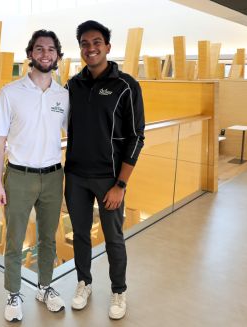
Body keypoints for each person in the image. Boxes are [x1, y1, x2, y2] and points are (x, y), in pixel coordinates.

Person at [64, 20, 145, 320]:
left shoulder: (126, 86)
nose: (91, 48)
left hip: (109, 180)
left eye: (96, 42)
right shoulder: (72, 85)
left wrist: (120, 185)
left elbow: (137, 136)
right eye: (85, 43)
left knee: (113, 238)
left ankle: (118, 291)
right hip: (75, 177)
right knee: (81, 235)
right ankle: (83, 283)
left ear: (108, 47)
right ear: (81, 49)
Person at [0, 29, 69, 322]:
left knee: (48, 238)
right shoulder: (10, 92)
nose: (45, 54)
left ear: (57, 56)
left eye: (51, 49)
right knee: (15, 238)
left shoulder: (64, 95)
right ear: (30, 54)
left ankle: (44, 287)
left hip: (52, 176)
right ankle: (13, 293)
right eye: (39, 48)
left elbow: (75, 136)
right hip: (19, 176)